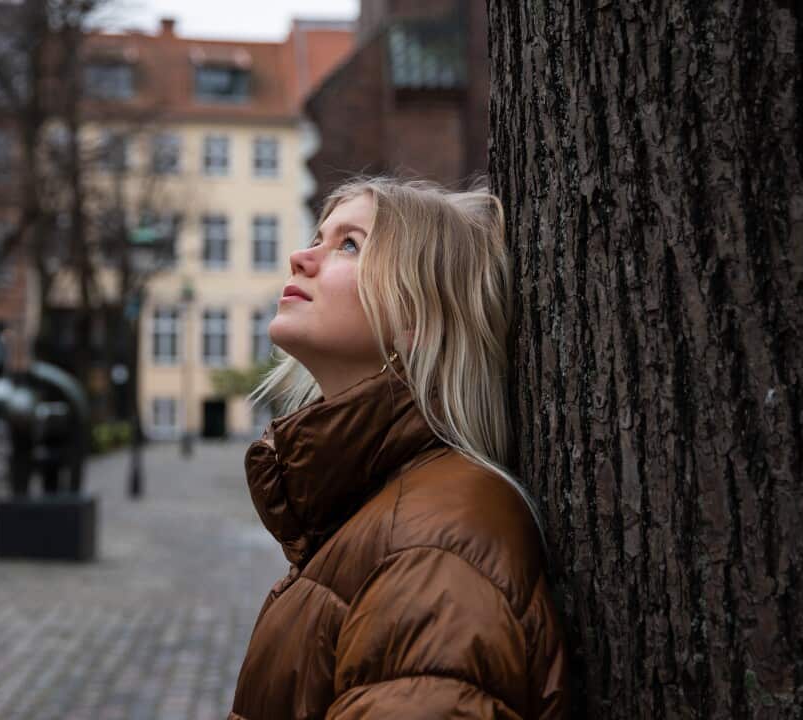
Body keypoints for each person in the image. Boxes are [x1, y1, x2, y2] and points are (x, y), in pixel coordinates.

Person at [229, 177, 568, 719]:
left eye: (349, 244)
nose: (300, 256)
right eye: (318, 237)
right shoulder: (385, 509)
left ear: (416, 315)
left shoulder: (436, 546)